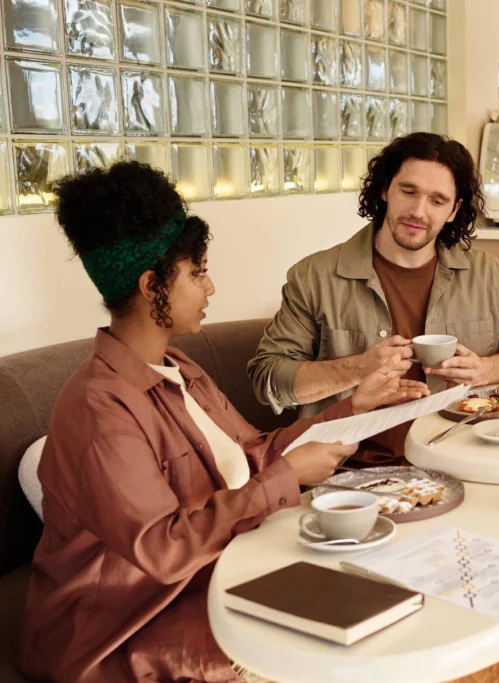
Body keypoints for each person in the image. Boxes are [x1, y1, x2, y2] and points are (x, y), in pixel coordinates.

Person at [18, 162, 428, 683]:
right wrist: (287, 477)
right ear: (152, 286)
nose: (210, 287)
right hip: (124, 627)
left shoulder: (179, 368)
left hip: (210, 579)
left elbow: (253, 452)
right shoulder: (100, 409)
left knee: (392, 593)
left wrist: (354, 409)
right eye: (197, 272)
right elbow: (163, 550)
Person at [248, 132, 499, 464]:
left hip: (465, 461)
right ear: (385, 189)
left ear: (454, 210)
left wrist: (485, 370)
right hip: (346, 471)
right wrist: (356, 369)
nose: (418, 211)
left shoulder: (487, 274)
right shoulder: (314, 276)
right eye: (408, 191)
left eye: (437, 200)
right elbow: (269, 377)